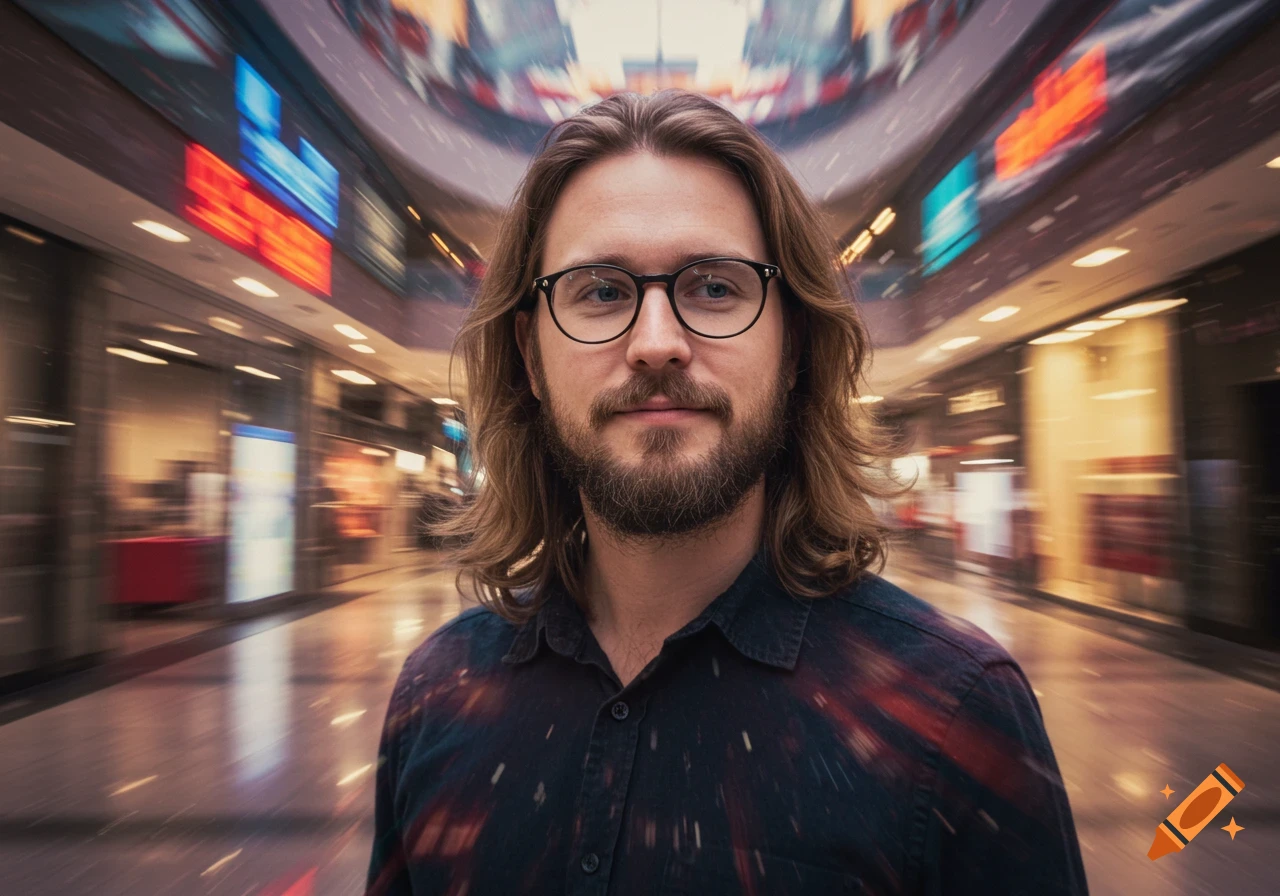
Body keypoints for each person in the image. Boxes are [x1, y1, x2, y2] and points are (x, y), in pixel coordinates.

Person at [367, 91, 1087, 895]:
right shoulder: (439, 693)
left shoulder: (954, 714)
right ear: (532, 362)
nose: (657, 345)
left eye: (713, 287)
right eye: (600, 291)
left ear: (793, 347)